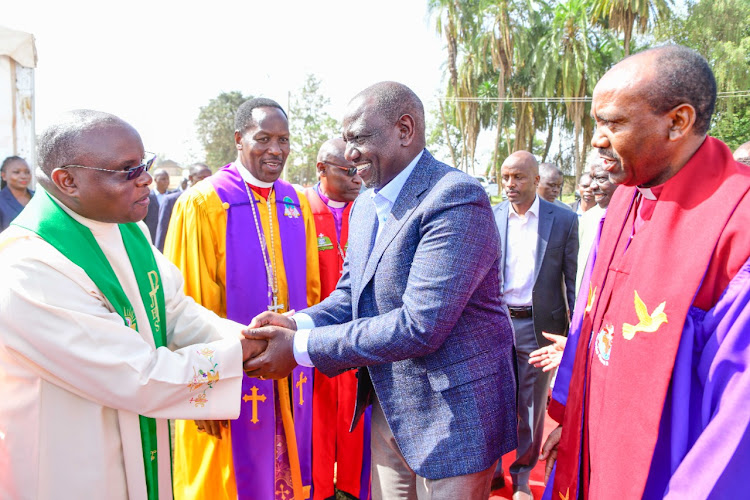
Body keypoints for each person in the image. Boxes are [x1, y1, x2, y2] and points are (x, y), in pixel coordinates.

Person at [244, 81, 518, 500]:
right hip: (392, 408)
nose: (348, 152)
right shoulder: (368, 206)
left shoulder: (455, 198)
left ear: (404, 130)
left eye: (358, 138)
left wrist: (300, 347)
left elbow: (419, 325)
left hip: (454, 419)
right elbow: (350, 296)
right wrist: (295, 321)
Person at [0, 110, 266, 498]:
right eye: (127, 170)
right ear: (67, 180)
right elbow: (136, 376)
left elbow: (175, 312)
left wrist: (249, 337)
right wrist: (239, 354)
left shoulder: (128, 230)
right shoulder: (29, 267)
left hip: (138, 441)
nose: (144, 179)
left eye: (145, 164)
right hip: (70, 461)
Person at [542, 45, 750, 500]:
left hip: (670, 464)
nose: (597, 139)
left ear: (678, 121)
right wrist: (571, 418)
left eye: (613, 123)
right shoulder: (625, 200)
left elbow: (741, 413)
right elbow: (593, 320)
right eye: (597, 122)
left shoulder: (739, 227)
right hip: (592, 439)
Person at [165, 98, 321, 500]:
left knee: (288, 467)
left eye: (283, 140)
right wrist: (201, 390)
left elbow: (313, 288)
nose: (276, 149)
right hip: (230, 371)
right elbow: (188, 304)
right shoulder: (203, 203)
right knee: (225, 476)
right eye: (263, 138)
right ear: (238, 139)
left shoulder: (295, 201)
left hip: (288, 368)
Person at [491, 151, 578, 500]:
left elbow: (571, 281)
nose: (509, 185)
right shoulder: (491, 216)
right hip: (496, 325)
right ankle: (493, 471)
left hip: (539, 327)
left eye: (518, 178)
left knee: (530, 405)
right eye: (505, 178)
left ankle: (523, 474)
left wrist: (571, 336)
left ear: (536, 180)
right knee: (495, 401)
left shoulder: (563, 220)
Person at [303, 138, 369, 500]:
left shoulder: (371, 211)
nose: (357, 178)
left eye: (359, 169)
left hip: (359, 338)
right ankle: (317, 487)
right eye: (347, 171)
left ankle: (352, 488)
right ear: (321, 168)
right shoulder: (299, 212)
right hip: (312, 336)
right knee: (318, 417)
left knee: (356, 416)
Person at [574, 151, 618, 294]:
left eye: (600, 178)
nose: (592, 186)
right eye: (592, 178)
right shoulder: (588, 219)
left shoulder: (638, 219)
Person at [154, 163, 212, 252]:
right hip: (179, 255)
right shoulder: (172, 201)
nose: (205, 181)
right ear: (190, 178)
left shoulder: (214, 201)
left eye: (208, 178)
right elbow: (162, 234)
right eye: (201, 178)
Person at [0, 156, 34, 231]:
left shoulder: (38, 197)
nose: (23, 176)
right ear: (4, 175)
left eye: (27, 172)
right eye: (16, 172)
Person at [143, 168, 174, 242]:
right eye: (163, 179)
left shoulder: (172, 197)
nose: (167, 182)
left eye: (167, 179)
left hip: (169, 236)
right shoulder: (146, 197)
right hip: (151, 237)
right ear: (155, 180)